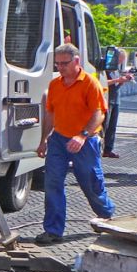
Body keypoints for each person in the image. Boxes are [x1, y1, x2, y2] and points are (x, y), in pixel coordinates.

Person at [35, 43, 115, 244]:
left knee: (90, 181)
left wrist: (82, 136)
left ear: (77, 61)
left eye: (64, 63)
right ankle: (53, 230)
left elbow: (99, 113)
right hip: (59, 140)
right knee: (52, 183)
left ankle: (106, 214)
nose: (60, 67)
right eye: (57, 64)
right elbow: (50, 113)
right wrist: (44, 139)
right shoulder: (55, 85)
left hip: (85, 141)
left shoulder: (90, 83)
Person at [103, 48, 134, 158]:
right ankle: (101, 148)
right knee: (105, 125)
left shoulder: (115, 69)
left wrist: (123, 81)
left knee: (112, 126)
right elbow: (102, 83)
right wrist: (118, 80)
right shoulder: (106, 68)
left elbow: (116, 84)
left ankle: (108, 149)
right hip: (108, 99)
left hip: (116, 99)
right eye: (120, 59)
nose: (120, 62)